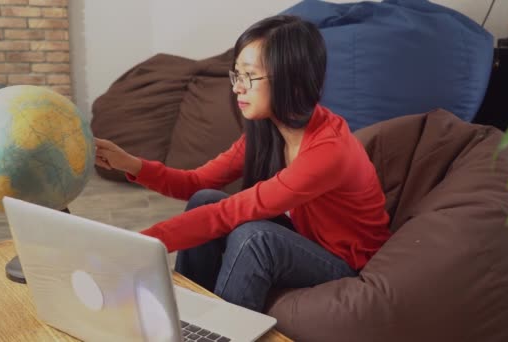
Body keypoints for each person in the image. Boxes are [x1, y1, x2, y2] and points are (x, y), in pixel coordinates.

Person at [94, 15, 391, 313]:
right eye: (236, 74)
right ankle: (190, 309)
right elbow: (197, 183)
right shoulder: (268, 130)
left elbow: (229, 214)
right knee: (204, 199)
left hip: (345, 262)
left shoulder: (328, 151)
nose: (237, 87)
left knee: (255, 239)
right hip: (306, 237)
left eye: (249, 75)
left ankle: (224, 328)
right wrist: (131, 164)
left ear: (292, 80)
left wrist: (135, 247)